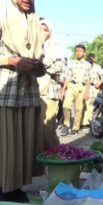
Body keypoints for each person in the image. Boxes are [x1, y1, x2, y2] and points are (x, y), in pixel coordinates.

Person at [0, 0, 47, 202]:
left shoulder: (36, 23)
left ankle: (16, 190)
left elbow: (42, 60)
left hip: (29, 92)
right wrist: (14, 61)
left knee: (24, 146)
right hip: (6, 92)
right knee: (8, 147)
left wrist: (38, 67)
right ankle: (1, 192)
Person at [37, 18, 63, 147]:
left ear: (50, 33)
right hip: (33, 92)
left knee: (47, 129)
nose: (42, 32)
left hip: (49, 93)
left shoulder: (55, 48)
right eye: (39, 28)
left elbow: (59, 68)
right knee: (35, 130)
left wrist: (42, 64)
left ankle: (56, 157)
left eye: (45, 30)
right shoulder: (32, 46)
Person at [60, 44, 91, 136]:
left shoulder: (88, 65)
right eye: (77, 51)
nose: (78, 53)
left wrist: (87, 91)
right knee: (66, 105)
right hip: (71, 85)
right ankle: (66, 124)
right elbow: (68, 76)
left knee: (78, 109)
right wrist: (63, 88)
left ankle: (75, 128)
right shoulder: (71, 63)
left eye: (80, 51)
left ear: (84, 52)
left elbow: (89, 79)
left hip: (82, 87)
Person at [82, 53, 102, 128]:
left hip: (95, 87)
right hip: (87, 87)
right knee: (86, 104)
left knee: (94, 104)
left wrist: (99, 85)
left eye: (92, 58)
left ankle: (94, 121)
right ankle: (85, 122)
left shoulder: (98, 67)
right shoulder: (86, 66)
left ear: (94, 59)